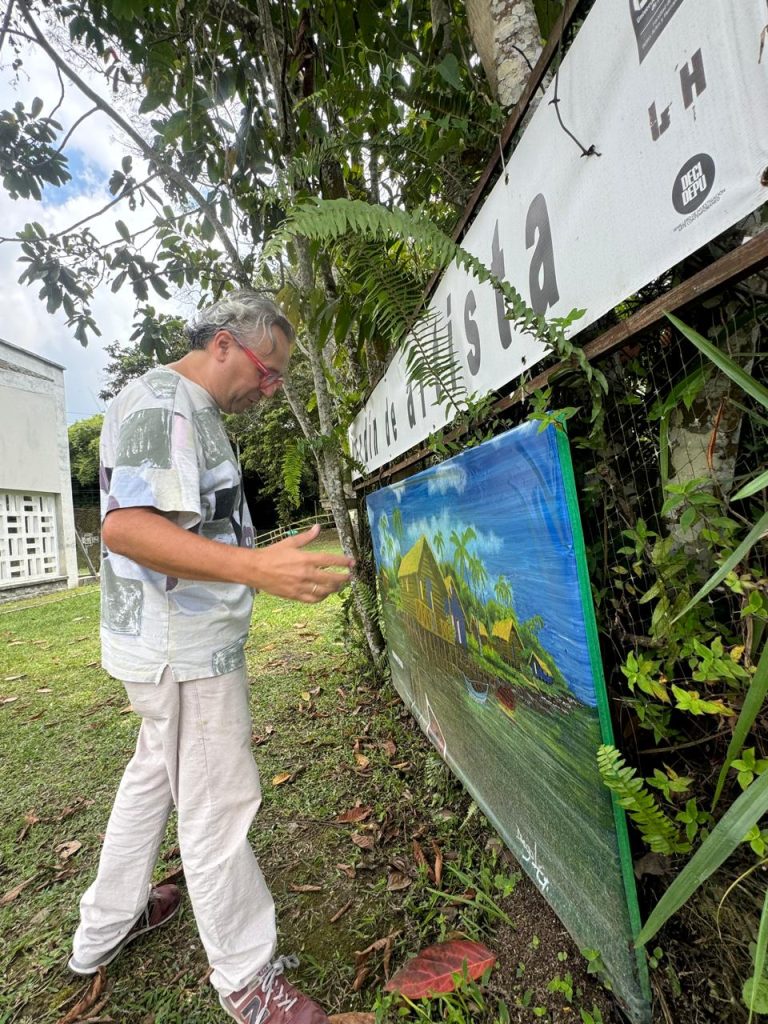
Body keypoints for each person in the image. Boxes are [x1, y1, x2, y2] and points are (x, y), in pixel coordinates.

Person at [68, 291, 352, 1024]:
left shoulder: (182, 406)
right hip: (181, 650)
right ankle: (247, 981)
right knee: (218, 805)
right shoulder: (168, 404)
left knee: (152, 779)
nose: (270, 388)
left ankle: (103, 928)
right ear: (224, 343)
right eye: (268, 371)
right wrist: (261, 571)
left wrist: (249, 565)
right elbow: (127, 528)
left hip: (165, 645)